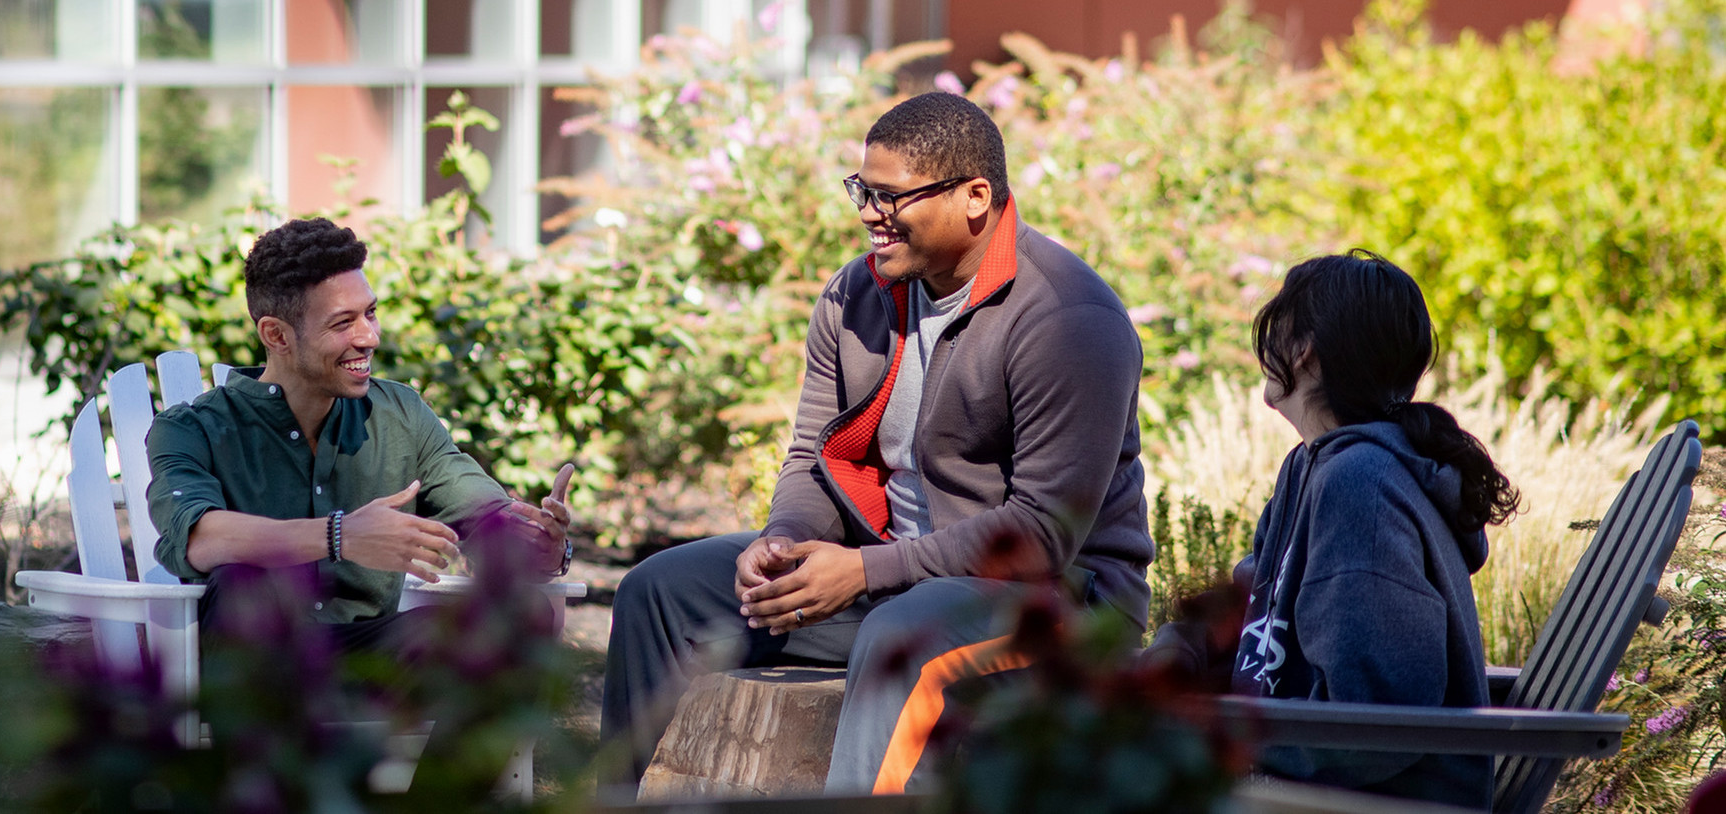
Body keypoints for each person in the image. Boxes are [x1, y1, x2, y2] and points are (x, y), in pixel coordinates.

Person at [600, 92, 1153, 796]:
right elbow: (812, 458)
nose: (868, 213)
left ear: (975, 197)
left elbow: (1043, 535)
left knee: (901, 638)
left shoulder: (1069, 319)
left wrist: (863, 573)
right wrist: (785, 539)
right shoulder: (854, 297)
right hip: (897, 580)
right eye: (863, 190)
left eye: (891, 196)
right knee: (661, 591)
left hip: (1056, 602)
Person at [1146, 250, 1518, 807]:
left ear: (1306, 350)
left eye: (1279, 326)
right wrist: (1173, 658)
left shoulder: (1360, 485)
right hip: (1301, 779)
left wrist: (1221, 741)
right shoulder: (1311, 466)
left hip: (1365, 801)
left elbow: (1376, 723)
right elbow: (1247, 607)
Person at [144, 216, 574, 655]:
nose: (368, 337)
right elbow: (199, 538)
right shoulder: (191, 429)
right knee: (243, 583)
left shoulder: (400, 416)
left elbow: (488, 518)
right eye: (342, 322)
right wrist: (341, 536)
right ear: (276, 335)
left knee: (523, 613)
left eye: (369, 313)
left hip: (367, 659)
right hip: (258, 670)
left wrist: (542, 545)